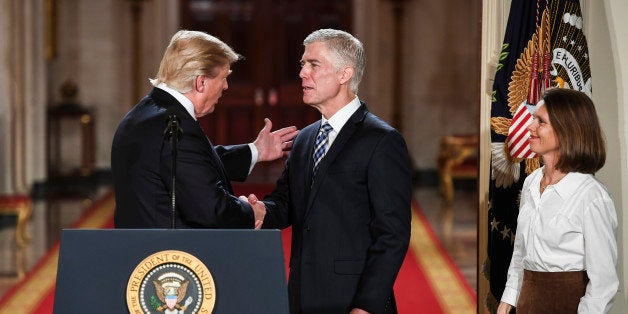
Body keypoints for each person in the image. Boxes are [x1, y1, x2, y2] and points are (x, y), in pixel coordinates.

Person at [247, 29, 411, 313]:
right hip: (302, 294)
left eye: (313, 64)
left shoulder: (382, 140)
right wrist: (263, 210)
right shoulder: (305, 139)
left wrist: (366, 305)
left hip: (354, 300)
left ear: (344, 74)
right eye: (302, 64)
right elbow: (287, 203)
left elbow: (393, 233)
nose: (302, 73)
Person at [112, 30, 298, 229]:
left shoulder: (144, 113)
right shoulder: (175, 126)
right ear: (200, 82)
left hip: (144, 251)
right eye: (224, 77)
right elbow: (212, 211)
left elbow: (190, 166)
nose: (226, 87)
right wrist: (252, 212)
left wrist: (255, 151)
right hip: (175, 256)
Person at [497, 88, 618, 313]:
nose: (529, 126)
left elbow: (603, 283)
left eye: (540, 121)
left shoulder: (592, 196)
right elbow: (521, 252)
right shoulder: (531, 182)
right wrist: (508, 300)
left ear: (566, 131)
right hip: (528, 302)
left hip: (567, 304)